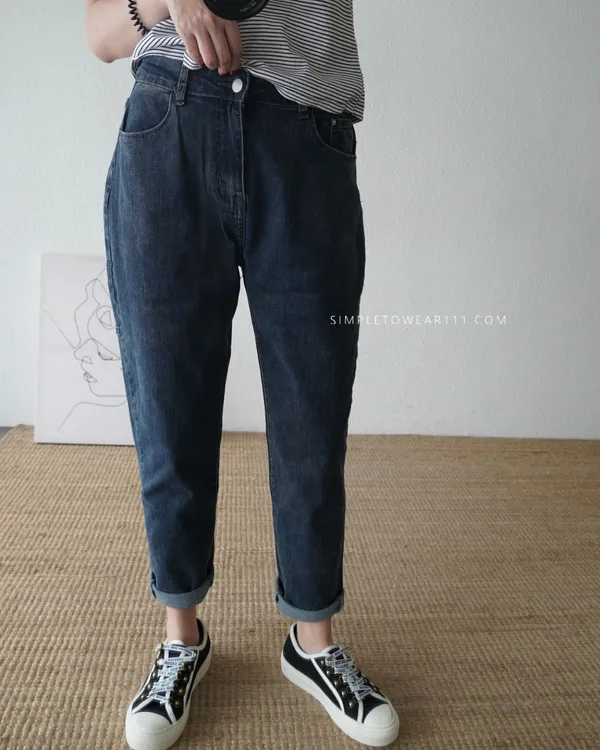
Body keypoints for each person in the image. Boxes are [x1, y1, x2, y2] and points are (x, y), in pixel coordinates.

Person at [85, 1, 400, 748]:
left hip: (305, 129)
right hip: (170, 124)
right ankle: (181, 635)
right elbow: (100, 34)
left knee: (312, 410)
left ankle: (312, 641)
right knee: (170, 404)